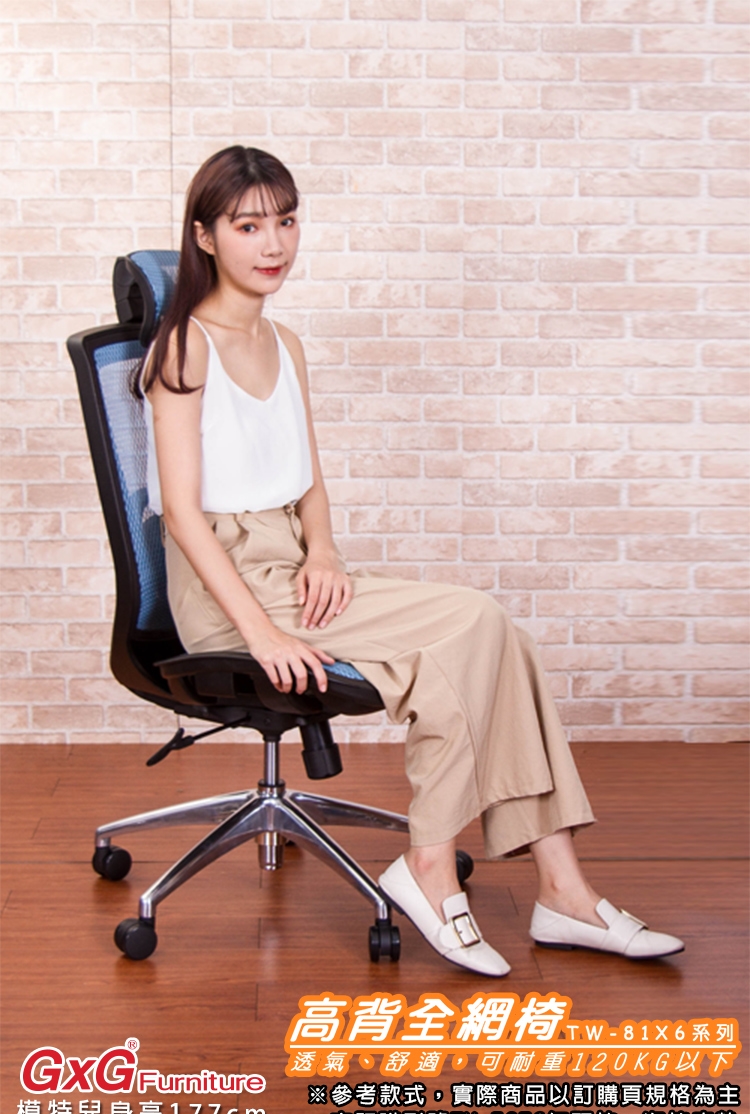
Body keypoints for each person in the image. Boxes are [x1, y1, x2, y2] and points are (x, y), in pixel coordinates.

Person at [140, 145, 684, 975]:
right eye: (248, 226)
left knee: (495, 642)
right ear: (205, 237)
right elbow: (182, 514)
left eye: (286, 221)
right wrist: (260, 634)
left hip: (292, 563)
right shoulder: (185, 346)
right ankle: (434, 863)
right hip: (229, 587)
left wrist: (325, 549)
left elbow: (309, 477)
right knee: (475, 622)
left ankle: (563, 892)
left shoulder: (285, 341)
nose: (273, 243)